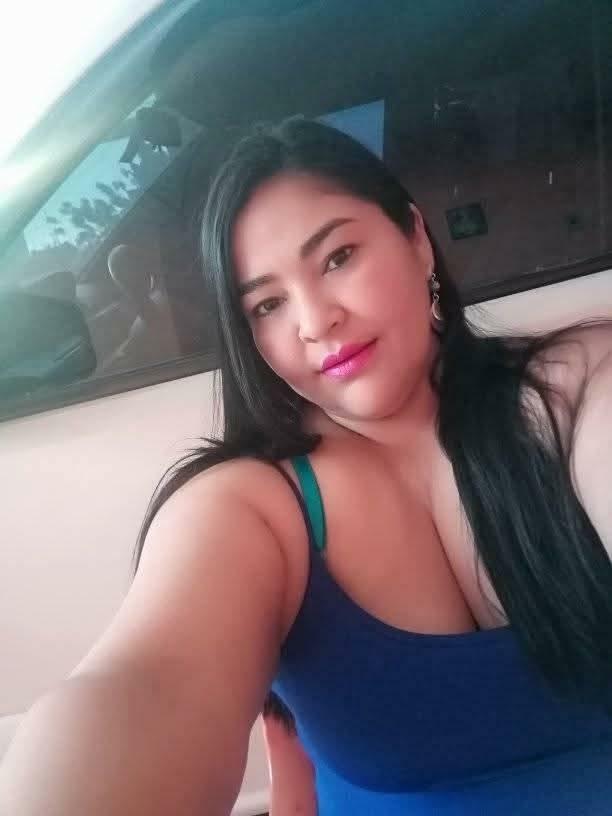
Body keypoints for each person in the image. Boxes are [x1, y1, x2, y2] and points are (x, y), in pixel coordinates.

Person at [1, 117, 612, 815]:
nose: (316, 321)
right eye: (267, 304)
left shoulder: (575, 389)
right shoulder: (252, 506)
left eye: (337, 257)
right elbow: (141, 688)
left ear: (415, 238)